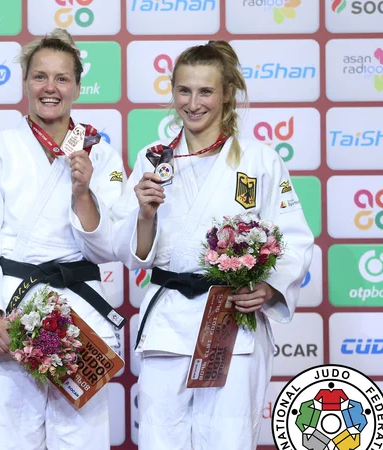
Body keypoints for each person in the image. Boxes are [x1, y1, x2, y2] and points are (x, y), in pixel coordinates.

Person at [112, 40, 314, 450]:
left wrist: (270, 286)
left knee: (228, 438)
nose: (193, 102)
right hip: (168, 321)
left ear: (227, 95)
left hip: (230, 322)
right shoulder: (153, 160)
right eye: (184, 90)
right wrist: (145, 214)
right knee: (160, 436)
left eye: (205, 91)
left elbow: (294, 236)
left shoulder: (260, 161)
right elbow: (131, 249)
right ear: (172, 93)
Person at [0, 28, 127, 449]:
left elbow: (110, 248)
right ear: (26, 82)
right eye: (40, 77)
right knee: (14, 437)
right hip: (15, 309)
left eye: (62, 78)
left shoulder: (99, 153)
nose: (50, 88)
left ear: (78, 87)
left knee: (82, 437)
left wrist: (83, 193)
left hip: (82, 307)